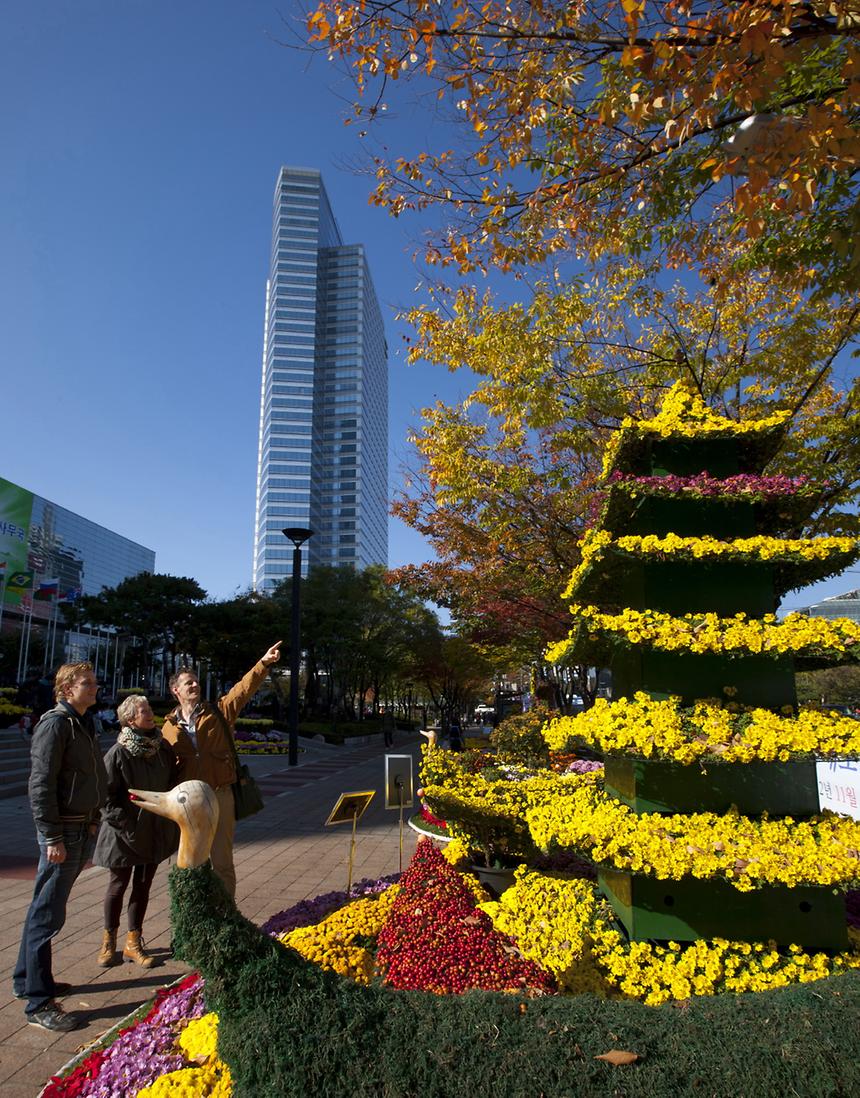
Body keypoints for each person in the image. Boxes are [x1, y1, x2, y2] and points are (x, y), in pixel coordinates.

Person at [13, 662, 108, 1032]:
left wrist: (95, 817)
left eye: (95, 682)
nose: (95, 688)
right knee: (47, 914)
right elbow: (40, 785)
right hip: (63, 833)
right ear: (67, 688)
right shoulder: (56, 724)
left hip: (80, 828)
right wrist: (51, 837)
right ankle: (39, 1003)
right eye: (88, 683)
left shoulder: (81, 722)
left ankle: (28, 981)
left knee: (45, 908)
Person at [160, 643, 281, 899]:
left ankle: (226, 914)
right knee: (192, 862)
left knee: (222, 861)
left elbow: (243, 690)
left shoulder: (218, 712)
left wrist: (264, 663)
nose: (194, 685)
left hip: (220, 795)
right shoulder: (168, 726)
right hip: (190, 803)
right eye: (188, 683)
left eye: (195, 681)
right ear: (175, 690)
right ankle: (197, 915)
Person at [93, 694, 179, 969]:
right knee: (117, 886)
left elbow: (172, 783)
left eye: (149, 708)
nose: (149, 713)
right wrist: (128, 825)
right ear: (130, 719)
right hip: (123, 833)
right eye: (143, 711)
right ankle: (109, 940)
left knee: (143, 887)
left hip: (154, 829)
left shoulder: (162, 748)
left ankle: (134, 941)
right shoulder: (118, 753)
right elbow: (106, 796)